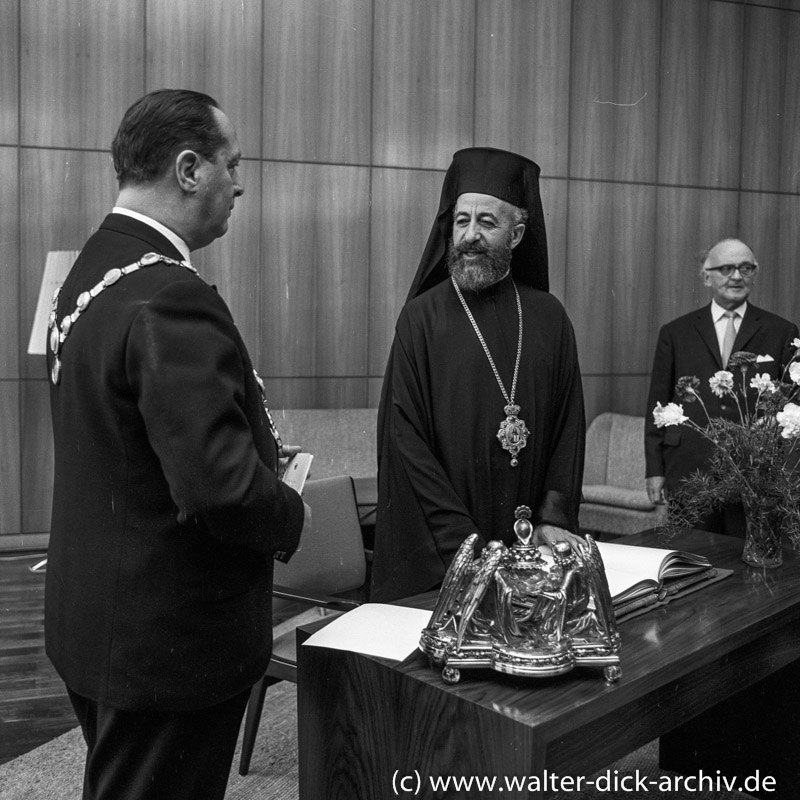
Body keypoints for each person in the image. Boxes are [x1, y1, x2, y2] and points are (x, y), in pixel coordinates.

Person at [45, 89, 308, 800]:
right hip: (168, 641)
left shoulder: (90, 271)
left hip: (98, 620)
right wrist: (291, 514)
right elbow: (219, 485)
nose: (241, 182)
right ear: (190, 169)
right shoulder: (169, 294)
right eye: (233, 163)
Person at [371, 147, 586, 603]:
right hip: (453, 555)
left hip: (534, 551)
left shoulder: (548, 316)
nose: (469, 235)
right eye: (461, 221)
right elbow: (404, 439)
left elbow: (569, 424)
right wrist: (466, 547)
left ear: (517, 233)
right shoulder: (421, 319)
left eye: (487, 222)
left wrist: (554, 515)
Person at [644, 237, 799, 535]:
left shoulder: (782, 331)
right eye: (727, 268)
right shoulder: (675, 333)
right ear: (706, 276)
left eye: (745, 268)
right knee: (690, 557)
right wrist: (654, 470)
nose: (737, 276)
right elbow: (657, 406)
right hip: (689, 470)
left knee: (751, 563)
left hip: (756, 475)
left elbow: (793, 405)